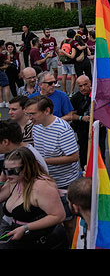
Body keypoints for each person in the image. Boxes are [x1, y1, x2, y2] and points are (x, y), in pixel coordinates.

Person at [25, 95, 80, 242]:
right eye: (28, 114)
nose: (29, 118)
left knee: (68, 222)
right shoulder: (35, 126)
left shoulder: (62, 129)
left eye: (33, 114)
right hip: (47, 181)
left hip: (65, 183)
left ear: (47, 111)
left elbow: (74, 157)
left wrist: (43, 161)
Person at [0, 147, 67, 249]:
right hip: (21, 239)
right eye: (5, 170)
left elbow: (59, 216)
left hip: (43, 241)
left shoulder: (42, 186)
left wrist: (25, 228)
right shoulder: (14, 181)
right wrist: (1, 181)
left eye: (14, 170)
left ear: (27, 167)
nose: (9, 175)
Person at [58, 29, 77, 94]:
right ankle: (71, 92)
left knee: (64, 76)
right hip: (71, 61)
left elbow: (60, 50)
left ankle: (64, 91)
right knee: (72, 76)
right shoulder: (73, 42)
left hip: (64, 61)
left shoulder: (63, 41)